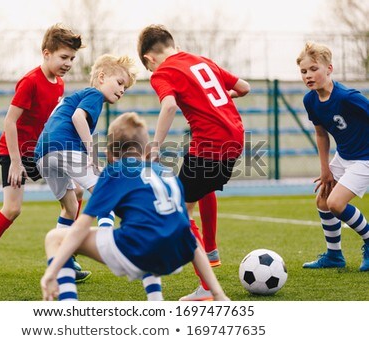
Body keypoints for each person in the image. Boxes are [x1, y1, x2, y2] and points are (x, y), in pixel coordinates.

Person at [40, 112, 230, 301]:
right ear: (147, 151)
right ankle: (157, 302)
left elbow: (81, 225)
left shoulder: (115, 171)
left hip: (137, 250)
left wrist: (53, 270)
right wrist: (218, 293)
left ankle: (67, 307)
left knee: (55, 238)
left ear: (109, 154)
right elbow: (187, 234)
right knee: (151, 230)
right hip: (174, 254)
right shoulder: (168, 173)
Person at [0, 24, 90, 281]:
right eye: (63, 57)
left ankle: (65, 258)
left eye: (72, 59)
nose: (68, 63)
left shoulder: (59, 83)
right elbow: (10, 122)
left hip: (42, 151)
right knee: (12, 209)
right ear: (46, 53)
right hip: (15, 153)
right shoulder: (30, 81)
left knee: (75, 196)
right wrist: (15, 162)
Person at [137, 24, 250, 300]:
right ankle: (209, 250)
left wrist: (155, 145)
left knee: (177, 208)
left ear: (150, 59)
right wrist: (214, 102)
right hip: (235, 138)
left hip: (210, 144)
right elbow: (244, 88)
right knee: (197, 191)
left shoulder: (163, 72)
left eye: (149, 68)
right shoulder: (201, 61)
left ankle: (207, 287)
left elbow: (169, 106)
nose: (153, 74)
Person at [35, 54, 141, 299]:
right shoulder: (94, 95)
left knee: (72, 203)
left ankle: (62, 262)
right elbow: (77, 118)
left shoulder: (78, 94)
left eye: (125, 87)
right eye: (120, 82)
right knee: (106, 190)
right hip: (64, 147)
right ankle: (109, 246)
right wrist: (91, 151)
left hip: (43, 152)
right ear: (102, 77)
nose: (122, 90)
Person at [297, 42, 369, 271]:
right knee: (323, 200)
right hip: (344, 156)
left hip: (365, 158)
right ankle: (334, 256)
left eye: (314, 69)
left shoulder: (348, 97)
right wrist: (325, 169)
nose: (308, 75)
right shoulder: (310, 101)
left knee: (335, 203)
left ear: (329, 69)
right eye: (303, 71)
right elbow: (321, 134)